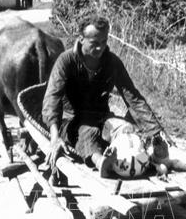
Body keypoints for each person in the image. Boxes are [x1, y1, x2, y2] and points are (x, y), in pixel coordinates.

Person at [42, 15, 166, 178]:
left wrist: (155, 131)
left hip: (101, 117)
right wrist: (55, 137)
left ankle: (147, 157)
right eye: (94, 43)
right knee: (88, 132)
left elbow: (133, 96)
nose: (100, 48)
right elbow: (52, 98)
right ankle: (101, 162)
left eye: (104, 42)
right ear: (81, 39)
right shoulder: (66, 61)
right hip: (71, 121)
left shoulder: (112, 62)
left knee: (124, 128)